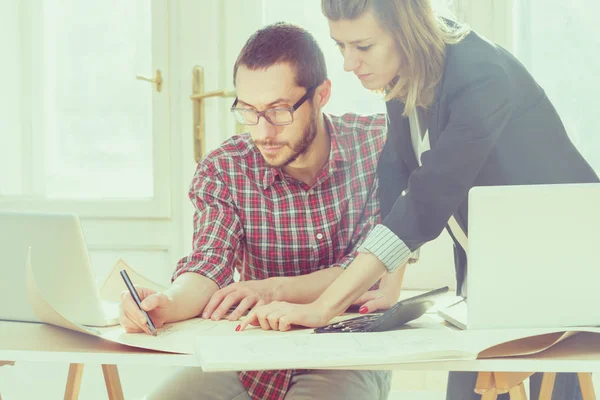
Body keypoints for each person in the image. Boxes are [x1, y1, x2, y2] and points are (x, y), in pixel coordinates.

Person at [239, 1, 600, 399]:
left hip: (566, 256)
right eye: (340, 47)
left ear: (405, 31)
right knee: (470, 383)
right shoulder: (407, 65)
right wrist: (392, 284)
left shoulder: (481, 76)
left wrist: (322, 307)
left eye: (362, 46)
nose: (348, 64)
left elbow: (430, 194)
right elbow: (396, 168)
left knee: (550, 384)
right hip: (496, 256)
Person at [119, 22, 397, 400]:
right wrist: (166, 304)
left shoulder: (377, 146)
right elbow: (208, 265)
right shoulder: (226, 168)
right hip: (250, 356)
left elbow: (371, 270)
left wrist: (272, 290)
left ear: (321, 95)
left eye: (279, 111)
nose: (263, 131)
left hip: (344, 353)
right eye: (248, 111)